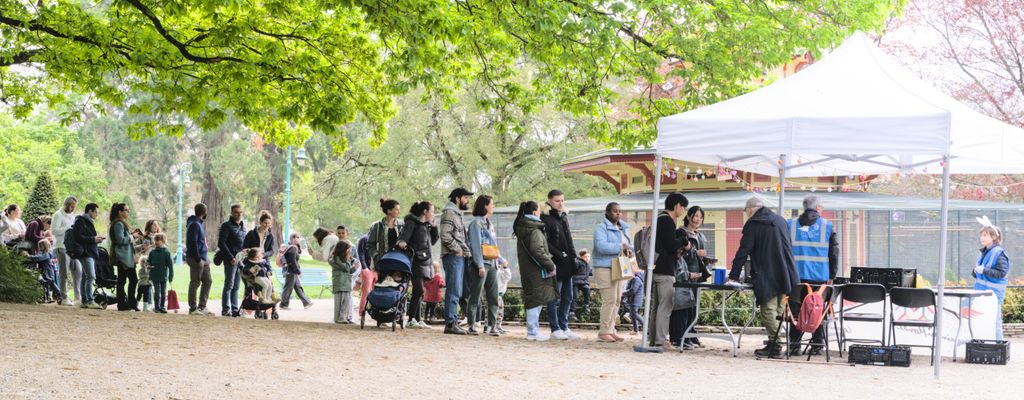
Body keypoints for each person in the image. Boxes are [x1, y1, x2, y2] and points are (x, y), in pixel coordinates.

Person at [726, 196, 800, 359]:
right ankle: (774, 342)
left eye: (746, 212)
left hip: (767, 274)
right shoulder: (781, 221)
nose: (747, 215)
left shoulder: (753, 224)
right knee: (778, 311)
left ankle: (775, 346)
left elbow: (743, 251)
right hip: (786, 273)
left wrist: (733, 276)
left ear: (750, 210)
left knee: (768, 310)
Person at [785, 195, 839, 356]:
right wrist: (832, 275)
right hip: (819, 277)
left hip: (795, 277)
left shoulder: (790, 225)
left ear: (804, 207)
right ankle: (817, 345)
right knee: (818, 310)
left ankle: (794, 346)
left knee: (795, 311)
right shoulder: (827, 226)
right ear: (818, 208)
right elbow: (834, 253)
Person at [648, 192, 691, 351]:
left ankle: (653, 339)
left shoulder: (659, 219)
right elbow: (671, 245)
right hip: (665, 269)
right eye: (683, 207)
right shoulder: (667, 221)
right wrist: (683, 240)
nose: (683, 211)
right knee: (665, 306)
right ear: (677, 205)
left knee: (657, 306)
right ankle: (661, 340)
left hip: (655, 267)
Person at [514, 201, 560, 341]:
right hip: (536, 269)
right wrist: (550, 264)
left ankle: (533, 330)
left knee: (534, 298)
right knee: (536, 300)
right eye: (539, 210)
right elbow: (537, 250)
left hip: (528, 269)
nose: (540, 212)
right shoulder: (534, 230)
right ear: (534, 212)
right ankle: (533, 332)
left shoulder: (525, 227)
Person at [592, 202, 634, 343]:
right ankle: (604, 332)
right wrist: (620, 247)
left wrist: (629, 250)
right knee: (609, 299)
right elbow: (601, 246)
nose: (618, 213)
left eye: (620, 211)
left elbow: (629, 245)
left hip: (620, 266)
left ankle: (611, 330)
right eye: (615, 211)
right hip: (604, 267)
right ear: (607, 212)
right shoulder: (601, 228)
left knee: (617, 300)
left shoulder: (624, 227)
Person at [540, 189, 578, 340]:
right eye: (557, 201)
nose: (560, 203)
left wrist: (573, 257)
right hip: (555, 263)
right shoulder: (545, 218)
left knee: (568, 297)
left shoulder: (563, 216)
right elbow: (545, 242)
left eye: (562, 200)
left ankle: (564, 326)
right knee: (554, 297)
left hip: (568, 262)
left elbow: (569, 239)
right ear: (549, 201)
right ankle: (555, 328)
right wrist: (559, 254)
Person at [672, 206, 710, 350]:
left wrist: (705, 260)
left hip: (697, 275)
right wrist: (695, 253)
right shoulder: (681, 233)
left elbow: (699, 257)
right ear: (688, 216)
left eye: (701, 217)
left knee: (693, 307)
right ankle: (681, 337)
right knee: (683, 306)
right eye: (696, 216)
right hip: (684, 275)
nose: (698, 219)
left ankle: (691, 334)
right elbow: (679, 254)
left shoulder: (700, 235)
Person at [467, 195, 506, 336]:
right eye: (491, 204)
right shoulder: (476, 224)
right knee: (475, 295)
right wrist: (479, 265)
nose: (493, 206)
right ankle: (471, 324)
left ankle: (492, 326)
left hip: (492, 263)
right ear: (485, 206)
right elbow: (475, 245)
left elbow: (493, 245)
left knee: (493, 296)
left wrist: (500, 259)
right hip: (482, 264)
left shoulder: (489, 224)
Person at [398, 201, 439, 329]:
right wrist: (403, 243)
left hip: (425, 261)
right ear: (425, 212)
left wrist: (434, 227)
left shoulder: (426, 225)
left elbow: (433, 241)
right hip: (414, 261)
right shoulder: (412, 222)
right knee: (419, 290)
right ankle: (411, 319)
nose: (433, 214)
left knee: (420, 291)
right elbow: (403, 238)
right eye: (432, 211)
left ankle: (417, 319)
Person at [440, 188, 473, 335]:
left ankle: (452, 321)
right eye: (466, 197)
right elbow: (445, 235)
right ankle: (450, 323)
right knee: (453, 290)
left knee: (457, 290)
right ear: (458, 198)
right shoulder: (449, 212)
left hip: (457, 256)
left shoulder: (456, 213)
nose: (468, 201)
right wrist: (457, 249)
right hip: (453, 256)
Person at [974, 221, 1011, 340]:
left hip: (993, 295)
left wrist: (983, 270)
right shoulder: (984, 253)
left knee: (994, 322)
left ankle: (999, 346)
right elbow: (980, 274)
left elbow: (1001, 273)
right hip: (981, 293)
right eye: (981, 235)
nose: (982, 238)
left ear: (994, 237)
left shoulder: (999, 253)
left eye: (985, 235)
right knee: (981, 321)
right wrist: (975, 271)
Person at [72, 203, 105, 309]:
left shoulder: (87, 221)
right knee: (91, 276)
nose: (96, 214)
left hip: (89, 251)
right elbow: (78, 237)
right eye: (96, 212)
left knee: (85, 277)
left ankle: (84, 300)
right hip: (86, 252)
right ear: (90, 211)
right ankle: (90, 301)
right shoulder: (81, 221)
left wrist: (96, 239)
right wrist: (93, 239)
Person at [215, 204, 246, 317]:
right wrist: (230, 257)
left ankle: (235, 309)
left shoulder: (243, 226)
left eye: (240, 212)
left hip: (240, 259)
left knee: (236, 286)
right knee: (229, 284)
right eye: (236, 212)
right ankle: (225, 309)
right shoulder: (226, 225)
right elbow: (221, 243)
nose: (239, 214)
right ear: (232, 213)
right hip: (230, 259)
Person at [52, 196, 81, 306]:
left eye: (74, 207)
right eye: (72, 206)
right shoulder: (58, 215)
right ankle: (64, 297)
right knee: (64, 273)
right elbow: (54, 231)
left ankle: (78, 297)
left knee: (78, 271)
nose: (73, 209)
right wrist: (69, 230)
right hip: (61, 245)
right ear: (66, 205)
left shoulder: (72, 216)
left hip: (72, 247)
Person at [109, 203, 138, 311]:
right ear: (120, 212)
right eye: (126, 210)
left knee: (128, 280)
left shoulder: (120, 223)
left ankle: (128, 303)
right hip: (122, 257)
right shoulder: (118, 224)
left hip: (126, 256)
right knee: (124, 281)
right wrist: (132, 236)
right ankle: (124, 303)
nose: (128, 212)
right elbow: (120, 240)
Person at [185, 203, 213, 316]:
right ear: (204, 212)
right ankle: (193, 308)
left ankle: (202, 306)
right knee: (195, 282)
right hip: (196, 258)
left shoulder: (197, 223)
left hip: (203, 258)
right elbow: (193, 242)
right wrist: (197, 258)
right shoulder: (195, 224)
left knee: (208, 280)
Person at [367, 199, 404, 270]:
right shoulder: (378, 226)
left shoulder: (402, 225)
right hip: (383, 262)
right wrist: (376, 256)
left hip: (399, 261)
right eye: (397, 210)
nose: (399, 212)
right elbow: (370, 245)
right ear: (389, 211)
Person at [280, 233, 313, 309]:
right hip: (291, 271)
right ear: (292, 239)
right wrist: (298, 272)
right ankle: (283, 305)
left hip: (292, 271)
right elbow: (293, 262)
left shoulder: (293, 248)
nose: (297, 239)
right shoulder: (292, 248)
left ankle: (306, 302)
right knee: (288, 288)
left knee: (298, 287)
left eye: (298, 237)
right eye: (296, 237)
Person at [329, 240, 357, 324]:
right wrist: (349, 260)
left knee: (346, 302)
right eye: (348, 250)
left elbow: (349, 271)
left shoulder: (343, 260)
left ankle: (341, 317)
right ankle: (338, 318)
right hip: (340, 284)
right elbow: (346, 268)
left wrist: (354, 267)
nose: (349, 252)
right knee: (340, 302)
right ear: (342, 250)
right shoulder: (336, 260)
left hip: (346, 283)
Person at [147, 233, 174, 313]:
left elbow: (170, 266)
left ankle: (162, 307)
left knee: (163, 292)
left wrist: (171, 276)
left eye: (158, 240)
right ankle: (157, 307)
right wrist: (148, 266)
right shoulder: (152, 252)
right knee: (157, 292)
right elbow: (148, 262)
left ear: (163, 241)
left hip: (163, 276)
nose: (156, 242)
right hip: (154, 275)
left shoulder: (166, 253)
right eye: (155, 240)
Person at [621, 270, 645, 334]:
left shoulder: (636, 279)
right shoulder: (637, 278)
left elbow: (633, 290)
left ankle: (646, 327)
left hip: (635, 300)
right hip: (635, 300)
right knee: (633, 315)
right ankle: (635, 330)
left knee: (634, 315)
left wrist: (623, 293)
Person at [571, 249, 592, 322]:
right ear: (581, 256)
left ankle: (586, 305)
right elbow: (573, 269)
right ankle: (572, 312)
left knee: (587, 289)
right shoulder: (578, 262)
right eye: (585, 257)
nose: (587, 258)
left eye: (588, 257)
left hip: (583, 283)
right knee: (575, 296)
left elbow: (590, 272)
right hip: (575, 282)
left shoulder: (588, 265)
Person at [495, 258, 513, 334]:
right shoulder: (500, 273)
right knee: (499, 311)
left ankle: (488, 326)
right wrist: (505, 267)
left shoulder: (496, 272)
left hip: (493, 294)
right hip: (497, 295)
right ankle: (497, 327)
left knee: (490, 311)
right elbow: (508, 276)